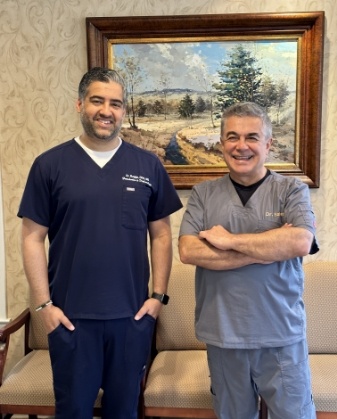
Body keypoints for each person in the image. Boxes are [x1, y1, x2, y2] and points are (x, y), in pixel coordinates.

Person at [18, 67, 182, 419]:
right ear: (80, 104)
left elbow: (162, 234)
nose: (107, 110)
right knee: (73, 410)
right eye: (97, 100)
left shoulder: (148, 166)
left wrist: (158, 297)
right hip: (71, 319)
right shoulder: (49, 165)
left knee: (123, 412)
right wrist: (44, 305)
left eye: (116, 103)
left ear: (123, 110)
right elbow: (32, 237)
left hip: (131, 318)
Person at [179, 101, 318, 419]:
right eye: (232, 137)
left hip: (281, 335)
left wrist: (228, 242)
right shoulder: (203, 194)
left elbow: (299, 241)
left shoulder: (292, 191)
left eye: (252, 137)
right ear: (221, 143)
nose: (241, 146)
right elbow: (189, 251)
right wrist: (268, 248)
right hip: (224, 336)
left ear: (268, 144)